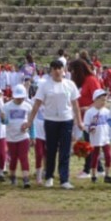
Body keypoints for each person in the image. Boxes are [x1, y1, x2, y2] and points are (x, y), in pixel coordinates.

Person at [22, 60, 82, 190]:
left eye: (59, 68)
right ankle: (49, 177)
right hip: (50, 121)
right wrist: (30, 121)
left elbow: (75, 105)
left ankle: (64, 179)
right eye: (54, 68)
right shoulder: (45, 85)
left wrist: (79, 121)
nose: (57, 71)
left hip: (66, 120)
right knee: (51, 150)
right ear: (51, 71)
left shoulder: (70, 85)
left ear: (63, 70)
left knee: (65, 150)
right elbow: (37, 104)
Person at [70, 58, 103, 178]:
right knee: (89, 142)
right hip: (83, 117)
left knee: (88, 143)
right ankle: (99, 168)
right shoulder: (83, 82)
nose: (72, 74)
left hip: (91, 117)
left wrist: (88, 108)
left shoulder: (92, 80)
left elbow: (99, 99)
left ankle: (87, 169)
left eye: (73, 71)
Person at [3, 84, 33, 188]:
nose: (20, 99)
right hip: (11, 137)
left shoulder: (28, 106)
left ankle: (26, 179)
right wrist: (3, 118)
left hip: (23, 136)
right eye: (18, 97)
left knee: (23, 157)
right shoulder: (6, 107)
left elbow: (30, 121)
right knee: (14, 158)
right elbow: (4, 122)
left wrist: (28, 128)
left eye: (22, 97)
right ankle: (12, 176)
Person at [83, 89, 111, 183]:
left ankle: (107, 175)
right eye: (102, 100)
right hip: (95, 137)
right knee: (95, 156)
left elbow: (110, 124)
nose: (104, 102)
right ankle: (94, 175)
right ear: (95, 99)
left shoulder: (107, 112)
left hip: (105, 137)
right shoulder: (90, 112)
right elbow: (86, 125)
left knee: (108, 155)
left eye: (105, 100)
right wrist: (90, 129)